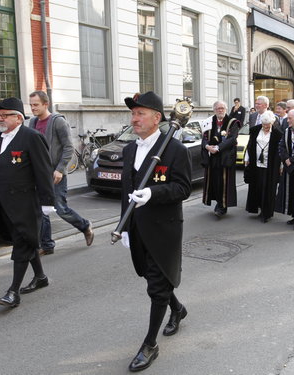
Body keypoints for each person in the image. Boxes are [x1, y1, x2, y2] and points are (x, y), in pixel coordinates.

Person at [120, 91, 192, 372]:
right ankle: (178, 309)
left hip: (164, 229)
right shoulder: (129, 149)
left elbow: (183, 188)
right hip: (137, 228)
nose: (134, 119)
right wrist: (124, 227)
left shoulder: (174, 150)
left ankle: (150, 344)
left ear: (157, 118)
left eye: (140, 113)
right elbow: (126, 191)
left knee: (157, 286)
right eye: (133, 114)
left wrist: (153, 193)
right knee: (151, 276)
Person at [0, 97, 55, 307]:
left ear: (18, 118)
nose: (0, 119)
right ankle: (41, 277)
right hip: (4, 202)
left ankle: (13, 292)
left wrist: (47, 201)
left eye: (4, 115)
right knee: (27, 240)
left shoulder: (31, 137)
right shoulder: (1, 137)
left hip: (25, 202)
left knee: (21, 243)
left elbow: (44, 171)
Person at [28, 91, 94, 255]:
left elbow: (68, 148)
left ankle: (85, 226)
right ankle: (47, 245)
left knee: (60, 208)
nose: (32, 108)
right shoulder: (32, 122)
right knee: (41, 210)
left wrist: (59, 169)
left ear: (46, 104)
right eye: (31, 105)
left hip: (55, 175)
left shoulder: (57, 122)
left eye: (36, 104)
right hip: (39, 175)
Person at [201, 100, 239, 216]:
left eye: (222, 108)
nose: (220, 110)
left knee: (224, 182)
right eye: (218, 108)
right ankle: (218, 202)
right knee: (214, 181)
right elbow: (204, 138)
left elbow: (232, 139)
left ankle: (223, 206)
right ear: (214, 110)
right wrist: (207, 146)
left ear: (226, 109)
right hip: (212, 157)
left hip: (225, 157)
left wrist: (218, 147)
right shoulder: (208, 122)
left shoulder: (233, 122)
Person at [244, 110, 283, 222]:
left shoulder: (277, 134)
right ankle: (258, 207)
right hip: (256, 164)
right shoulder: (255, 130)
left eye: (268, 125)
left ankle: (266, 213)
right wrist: (247, 158)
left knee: (268, 188)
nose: (266, 127)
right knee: (257, 186)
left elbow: (280, 152)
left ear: (272, 123)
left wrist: (281, 166)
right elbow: (250, 144)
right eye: (264, 125)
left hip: (270, 165)